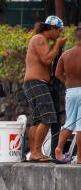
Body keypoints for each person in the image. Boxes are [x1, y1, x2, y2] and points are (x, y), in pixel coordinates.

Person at [22, 16, 67, 162]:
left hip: (34, 83)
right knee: (48, 118)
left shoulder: (40, 39)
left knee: (37, 120)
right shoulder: (39, 39)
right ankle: (35, 151)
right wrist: (58, 45)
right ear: (53, 28)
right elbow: (47, 59)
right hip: (37, 82)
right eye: (59, 31)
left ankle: (35, 152)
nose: (59, 34)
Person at [54, 26, 81, 164]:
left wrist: (67, 82)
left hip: (70, 91)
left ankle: (58, 149)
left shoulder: (66, 54)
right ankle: (80, 157)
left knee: (69, 122)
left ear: (74, 38)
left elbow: (57, 73)